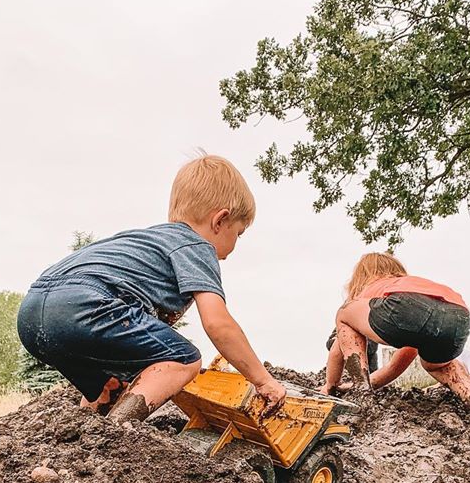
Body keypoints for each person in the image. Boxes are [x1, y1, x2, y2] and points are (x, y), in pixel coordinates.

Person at [17, 155, 286, 423]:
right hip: (87, 304)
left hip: (33, 312)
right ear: (220, 220)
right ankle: (114, 433)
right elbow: (218, 323)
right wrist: (262, 380)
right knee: (184, 358)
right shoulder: (197, 246)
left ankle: (82, 439)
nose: (234, 246)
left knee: (111, 384)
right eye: (237, 233)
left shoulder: (145, 239)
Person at [322, 252, 470, 407]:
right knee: (437, 365)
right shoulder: (411, 285)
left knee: (344, 314)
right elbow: (394, 367)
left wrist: (331, 385)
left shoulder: (374, 289)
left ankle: (361, 390)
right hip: (458, 315)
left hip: (404, 306)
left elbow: (338, 348)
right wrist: (372, 384)